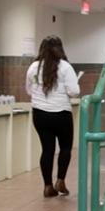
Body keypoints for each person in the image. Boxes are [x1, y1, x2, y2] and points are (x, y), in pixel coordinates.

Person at [26, 36, 80, 198]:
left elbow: (29, 91)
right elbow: (74, 91)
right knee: (65, 148)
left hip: (40, 114)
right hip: (61, 113)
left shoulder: (33, 67)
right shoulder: (65, 67)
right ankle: (60, 180)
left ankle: (48, 186)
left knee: (47, 149)